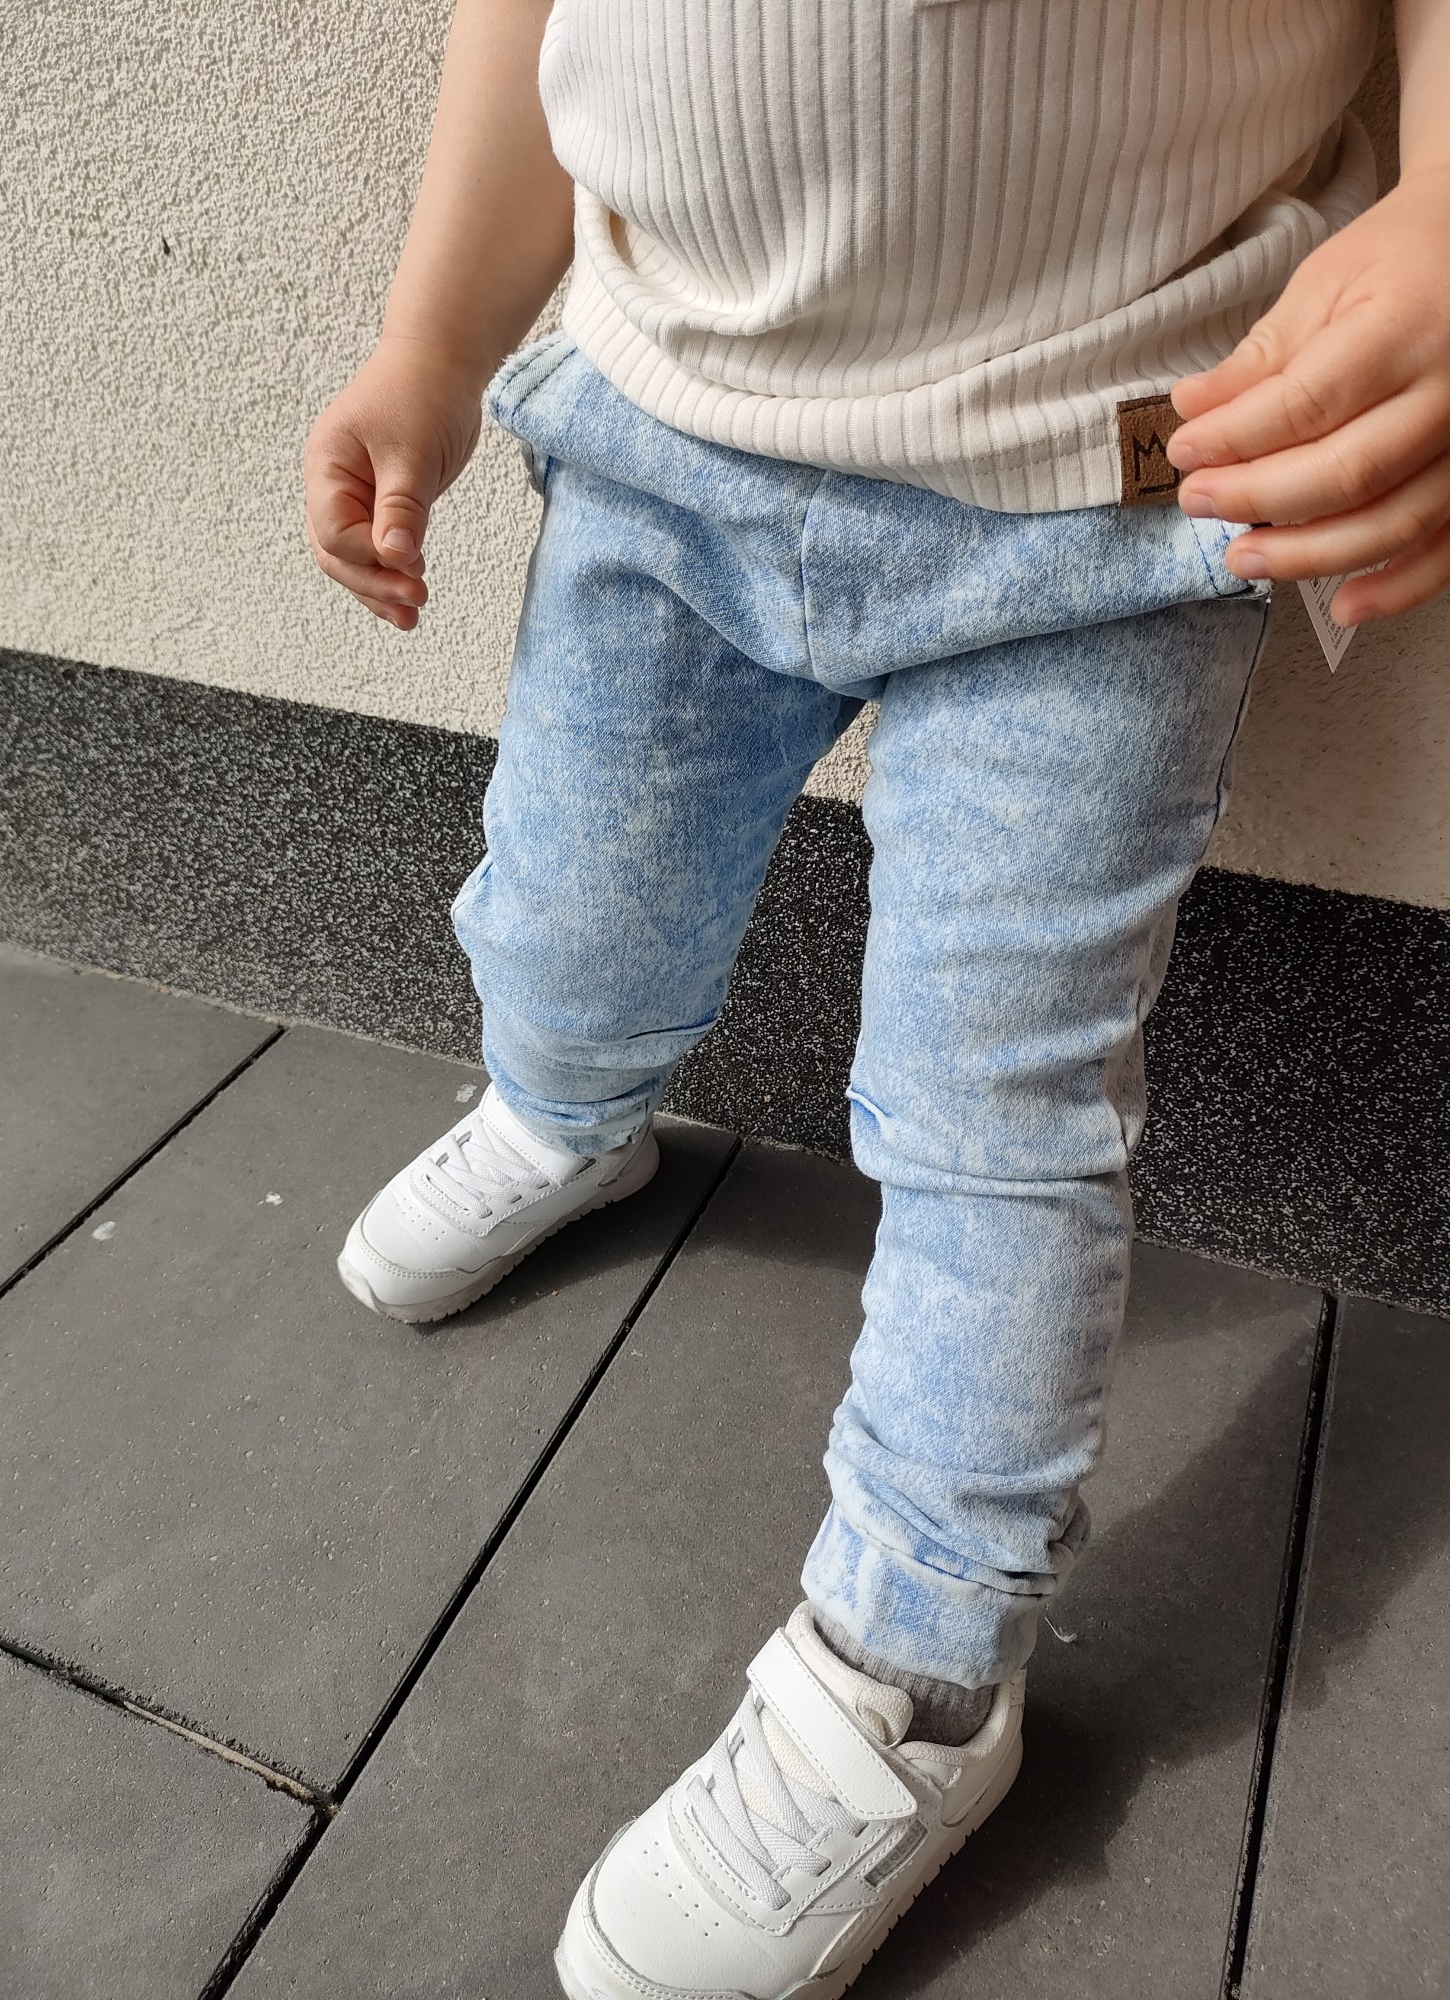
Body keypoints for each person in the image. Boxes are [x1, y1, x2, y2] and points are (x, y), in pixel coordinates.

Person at [304, 2, 1450, 1992]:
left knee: (997, 1113)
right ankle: (565, 1107)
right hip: (663, 439)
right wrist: (430, 342)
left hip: (1111, 494)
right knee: (571, 908)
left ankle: (912, 1669)